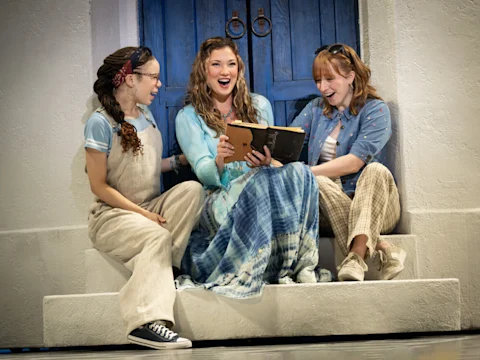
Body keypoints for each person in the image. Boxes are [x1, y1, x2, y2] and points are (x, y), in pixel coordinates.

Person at [175, 37, 331, 298]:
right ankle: (269, 267)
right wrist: (220, 159)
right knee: (260, 183)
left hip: (262, 183)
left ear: (239, 69)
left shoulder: (259, 105)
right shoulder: (189, 117)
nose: (225, 72)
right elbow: (204, 174)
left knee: (300, 172)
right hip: (220, 197)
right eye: (216, 64)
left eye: (231, 64)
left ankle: (302, 264)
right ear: (204, 70)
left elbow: (276, 159)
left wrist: (268, 160)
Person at [84, 46, 205, 349]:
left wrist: (179, 162)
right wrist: (143, 215)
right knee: (155, 236)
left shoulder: (146, 114)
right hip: (111, 216)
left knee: (192, 190)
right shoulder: (99, 123)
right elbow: (99, 186)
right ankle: (145, 323)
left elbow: (145, 168)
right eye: (153, 77)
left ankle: (169, 270)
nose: (159, 84)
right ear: (128, 78)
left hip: (150, 205)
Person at [290, 43, 406, 282]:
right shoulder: (315, 110)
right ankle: (382, 250)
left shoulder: (375, 110)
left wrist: (308, 172)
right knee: (319, 182)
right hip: (329, 208)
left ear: (351, 76)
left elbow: (354, 163)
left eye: (330, 79)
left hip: (378, 205)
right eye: (318, 81)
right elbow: (289, 139)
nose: (323, 88)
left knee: (374, 170)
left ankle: (355, 255)